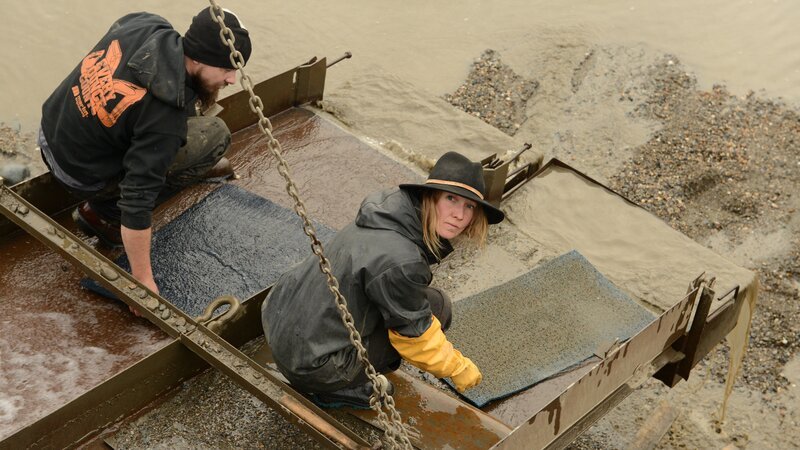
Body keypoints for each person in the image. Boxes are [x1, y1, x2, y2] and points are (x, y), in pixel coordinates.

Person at [262, 151, 505, 408]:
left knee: (428, 301)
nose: (459, 214)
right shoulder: (402, 260)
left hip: (277, 322)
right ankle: (336, 390)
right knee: (438, 310)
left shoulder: (385, 214)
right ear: (429, 197)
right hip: (311, 364)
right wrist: (457, 367)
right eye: (451, 199)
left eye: (469, 206)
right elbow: (415, 338)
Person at [38, 7, 251, 296]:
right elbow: (138, 199)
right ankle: (104, 214)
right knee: (215, 134)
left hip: (50, 133)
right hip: (81, 176)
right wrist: (142, 280)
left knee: (164, 119)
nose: (231, 80)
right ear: (199, 58)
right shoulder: (164, 120)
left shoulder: (147, 24)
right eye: (227, 69)